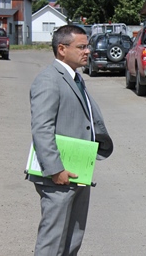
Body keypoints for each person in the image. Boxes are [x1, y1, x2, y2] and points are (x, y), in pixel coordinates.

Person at [28, 25, 112, 255]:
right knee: (52, 242)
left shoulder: (74, 77)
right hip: (58, 176)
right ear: (62, 49)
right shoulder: (48, 80)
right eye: (82, 46)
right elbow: (42, 128)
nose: (88, 51)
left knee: (72, 239)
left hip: (78, 171)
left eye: (88, 46)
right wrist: (56, 169)